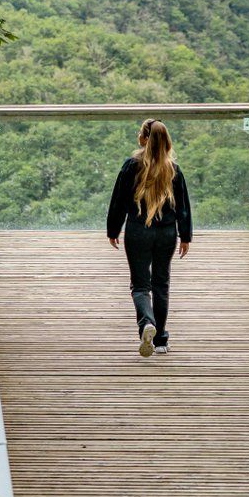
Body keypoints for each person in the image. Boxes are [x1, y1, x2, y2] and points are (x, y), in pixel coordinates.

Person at [106, 118, 192, 357]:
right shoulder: (174, 169)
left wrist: (113, 230)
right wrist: (185, 236)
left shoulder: (131, 166)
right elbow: (183, 207)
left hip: (138, 231)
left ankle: (147, 323)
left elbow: (118, 201)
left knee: (140, 285)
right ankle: (161, 340)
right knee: (161, 284)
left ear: (144, 139)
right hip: (166, 233)